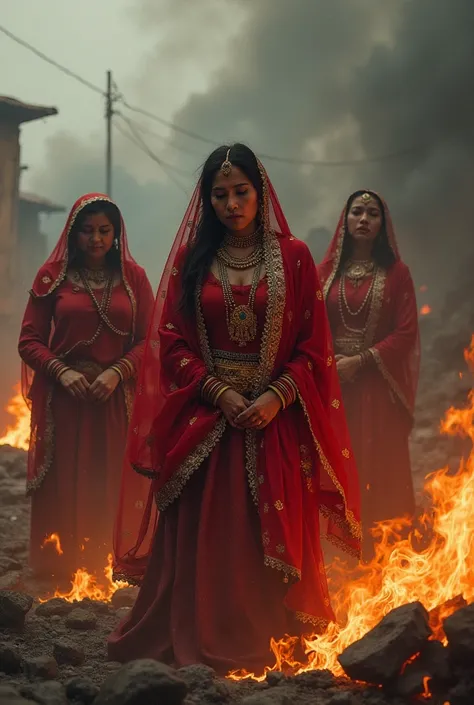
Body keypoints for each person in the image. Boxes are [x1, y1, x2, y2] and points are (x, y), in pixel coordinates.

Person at [108, 144, 361, 674]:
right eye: (219, 194)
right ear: (207, 201)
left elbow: (314, 349)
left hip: (275, 418)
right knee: (209, 531)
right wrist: (217, 391)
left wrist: (274, 397)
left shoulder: (293, 258)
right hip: (209, 416)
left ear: (260, 192)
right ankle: (201, 630)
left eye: (240, 191)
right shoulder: (189, 262)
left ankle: (272, 636)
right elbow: (171, 342)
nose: (230, 203)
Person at [18, 193, 154, 582]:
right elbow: (28, 341)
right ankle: (63, 568)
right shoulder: (51, 278)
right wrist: (62, 373)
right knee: (65, 477)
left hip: (115, 400)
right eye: (87, 231)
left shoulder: (135, 278)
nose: (96, 239)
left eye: (104, 231)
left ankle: (108, 564)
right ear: (73, 234)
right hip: (65, 400)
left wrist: (117, 373)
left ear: (116, 234)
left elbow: (150, 340)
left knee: (109, 478)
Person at [318, 190, 420, 559]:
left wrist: (359, 362)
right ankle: (337, 557)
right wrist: (332, 365)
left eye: (372, 213)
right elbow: (310, 327)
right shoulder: (326, 273)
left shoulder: (397, 274)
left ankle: (384, 560)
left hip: (377, 388)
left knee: (378, 469)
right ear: (345, 221)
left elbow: (406, 333)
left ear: (382, 224)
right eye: (357, 212)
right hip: (334, 388)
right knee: (336, 468)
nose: (363, 219)